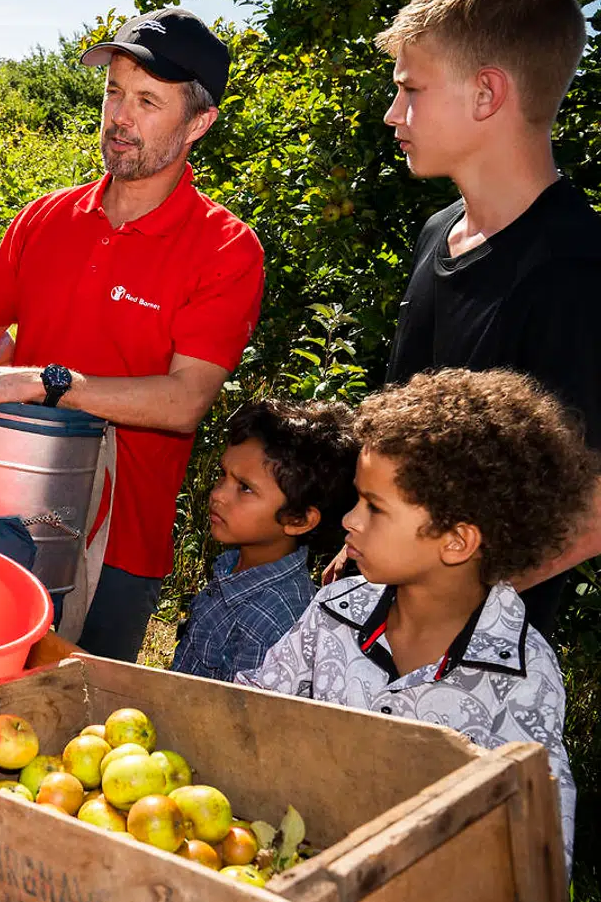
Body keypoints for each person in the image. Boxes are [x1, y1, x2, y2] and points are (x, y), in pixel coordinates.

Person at [0, 8, 265, 661]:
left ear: (198, 123)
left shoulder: (225, 249)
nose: (119, 117)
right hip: (2, 510)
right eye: (114, 92)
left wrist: (43, 381)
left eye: (148, 100)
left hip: (123, 544)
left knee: (81, 719)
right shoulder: (46, 219)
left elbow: (184, 403)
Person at [326, 0, 601, 635]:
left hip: (474, 658)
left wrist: (436, 603)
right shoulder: (436, 234)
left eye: (411, 89)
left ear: (486, 94)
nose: (394, 113)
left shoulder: (577, 267)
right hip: (386, 623)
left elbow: (593, 508)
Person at [239, 369, 592, 866]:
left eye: (375, 508)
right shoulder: (333, 613)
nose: (350, 521)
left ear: (457, 541)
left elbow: (538, 852)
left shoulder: (523, 680)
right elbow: (244, 713)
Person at [170, 399, 358, 682]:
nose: (218, 494)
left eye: (244, 488)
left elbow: (239, 716)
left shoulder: (273, 621)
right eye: (224, 474)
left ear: (298, 520)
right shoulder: (236, 565)